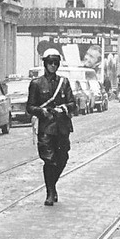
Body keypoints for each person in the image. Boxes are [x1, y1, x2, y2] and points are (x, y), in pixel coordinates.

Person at [26, 47, 77, 205]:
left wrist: (64, 108)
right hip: (46, 127)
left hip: (62, 127)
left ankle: (52, 186)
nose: (53, 65)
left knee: (62, 158)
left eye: (56, 63)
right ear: (45, 64)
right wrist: (42, 111)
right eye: (50, 62)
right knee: (49, 160)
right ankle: (49, 192)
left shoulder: (64, 82)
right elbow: (30, 107)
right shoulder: (36, 83)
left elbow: (72, 103)